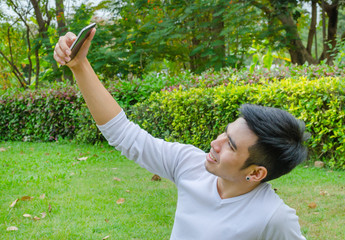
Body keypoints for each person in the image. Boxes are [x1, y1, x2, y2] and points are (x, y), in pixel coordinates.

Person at [54, 28, 309, 239]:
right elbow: (124, 134)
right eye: (224, 132)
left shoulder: (274, 218)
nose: (215, 143)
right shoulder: (190, 164)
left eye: (230, 145)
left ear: (255, 173)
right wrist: (80, 66)